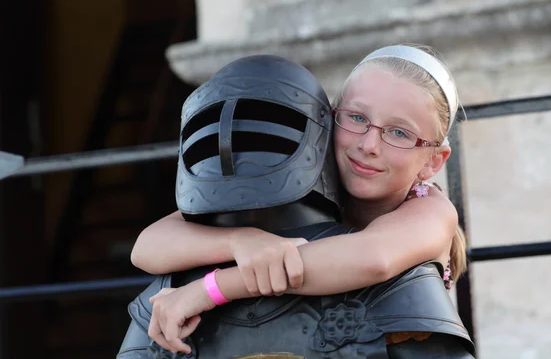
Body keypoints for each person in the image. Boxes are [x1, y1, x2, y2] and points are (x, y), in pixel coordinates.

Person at [118, 49, 474, 358]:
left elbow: (372, 259)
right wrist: (240, 241)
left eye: (400, 133)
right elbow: (148, 247)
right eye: (357, 118)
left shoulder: (431, 210)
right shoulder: (309, 178)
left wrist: (209, 289)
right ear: (329, 118)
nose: (369, 144)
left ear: (433, 161)